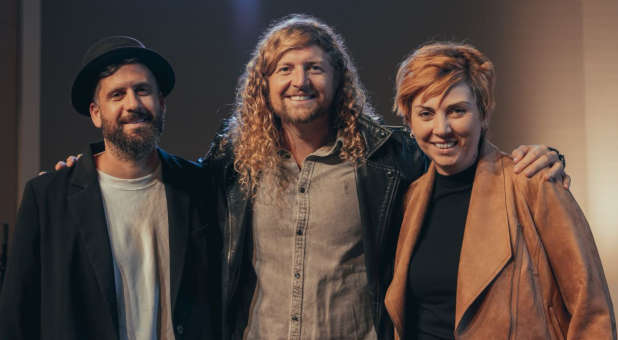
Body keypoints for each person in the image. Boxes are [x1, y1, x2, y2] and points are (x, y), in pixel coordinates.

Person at [203, 15, 567, 340]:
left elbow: (463, 164)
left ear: (337, 80)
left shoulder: (388, 159)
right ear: (263, 84)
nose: (300, 81)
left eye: (314, 67)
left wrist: (546, 159)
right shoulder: (233, 163)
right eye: (285, 69)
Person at [384, 42, 616, 339]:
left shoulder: (532, 182)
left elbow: (591, 311)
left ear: (482, 115)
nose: (441, 128)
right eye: (426, 114)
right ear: (409, 122)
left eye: (456, 111)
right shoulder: (408, 199)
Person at [0, 36, 220, 340]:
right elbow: (16, 318)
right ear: (95, 113)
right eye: (117, 94)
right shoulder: (47, 198)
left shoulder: (201, 187)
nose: (133, 104)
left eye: (143, 90)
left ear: (161, 103)